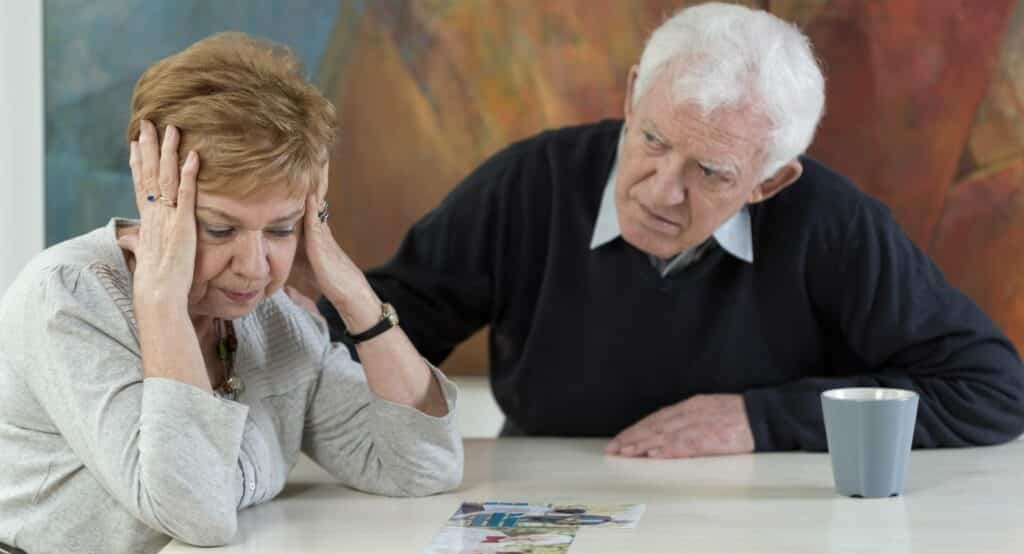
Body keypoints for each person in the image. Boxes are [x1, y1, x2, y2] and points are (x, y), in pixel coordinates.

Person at [319, 2, 1024, 458]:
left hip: (771, 521)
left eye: (712, 173)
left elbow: (991, 390)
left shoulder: (833, 225)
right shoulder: (531, 183)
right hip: (550, 504)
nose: (661, 191)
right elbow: (384, 334)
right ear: (630, 96)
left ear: (769, 182)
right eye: (652, 139)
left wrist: (762, 420)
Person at [0, 32, 462, 554]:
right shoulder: (68, 297)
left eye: (282, 229)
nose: (255, 266)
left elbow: (421, 467)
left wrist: (353, 293)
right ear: (156, 201)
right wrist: (162, 304)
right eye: (219, 229)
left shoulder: (277, 320)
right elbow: (195, 514)